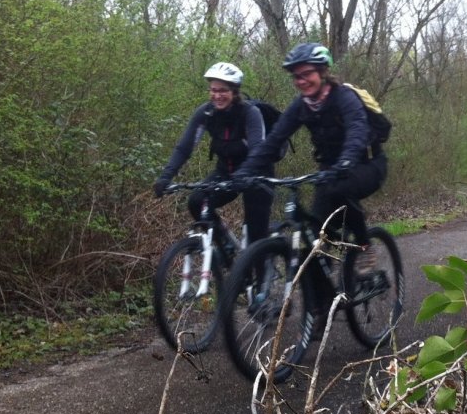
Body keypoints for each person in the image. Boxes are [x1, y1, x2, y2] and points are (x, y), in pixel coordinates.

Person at [234, 42, 388, 277]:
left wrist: (346, 161)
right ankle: (318, 308)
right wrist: (245, 170)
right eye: (296, 76)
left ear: (323, 72)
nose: (301, 81)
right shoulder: (301, 106)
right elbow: (273, 141)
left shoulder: (343, 97)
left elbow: (358, 130)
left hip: (367, 163)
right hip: (330, 170)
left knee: (338, 190)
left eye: (307, 74)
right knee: (314, 239)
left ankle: (365, 244)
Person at [153, 62, 273, 249]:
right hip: (226, 172)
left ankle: (256, 271)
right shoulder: (206, 113)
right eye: (213, 90)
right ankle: (226, 247)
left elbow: (258, 150)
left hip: (257, 174)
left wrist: (246, 175)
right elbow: (185, 147)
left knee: (254, 234)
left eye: (223, 90)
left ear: (234, 91)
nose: (217, 95)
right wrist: (166, 176)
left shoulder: (251, 113)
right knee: (197, 202)